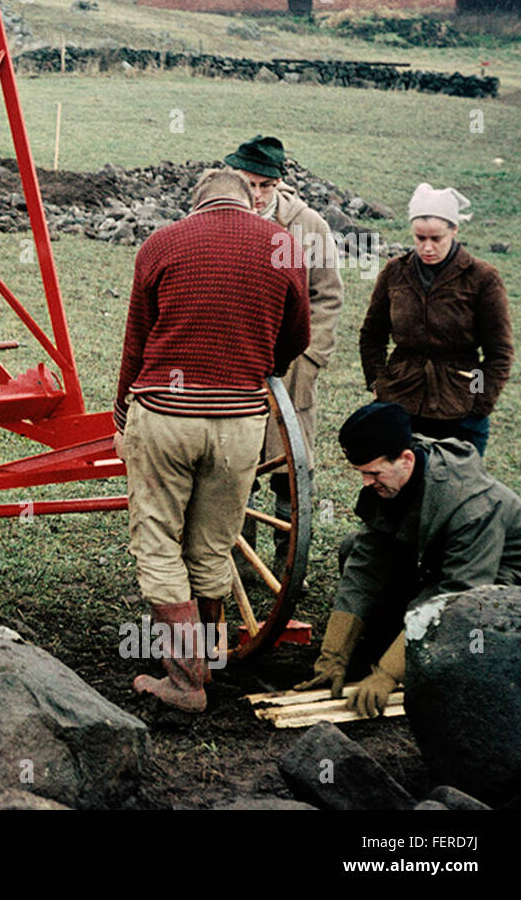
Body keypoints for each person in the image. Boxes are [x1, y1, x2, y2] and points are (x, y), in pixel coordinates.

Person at [114, 168, 310, 713]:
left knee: (158, 544)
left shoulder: (162, 243)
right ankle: (209, 658)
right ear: (252, 201)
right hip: (241, 423)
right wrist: (253, 364)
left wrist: (119, 415)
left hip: (165, 416)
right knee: (213, 547)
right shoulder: (283, 245)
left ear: (196, 204)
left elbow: (137, 341)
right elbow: (298, 336)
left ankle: (185, 680)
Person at [296, 402, 521, 717]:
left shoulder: (473, 506)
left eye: (373, 472)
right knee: (352, 547)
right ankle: (387, 647)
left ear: (405, 459)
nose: (366, 482)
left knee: (461, 646)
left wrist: (388, 675)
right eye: (362, 473)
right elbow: (365, 565)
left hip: (506, 590)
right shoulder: (397, 478)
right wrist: (332, 657)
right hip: (442, 567)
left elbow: (456, 595)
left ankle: (410, 659)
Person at [224, 136, 343, 559]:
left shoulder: (308, 226)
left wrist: (309, 357)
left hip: (289, 367)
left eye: (265, 187)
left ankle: (289, 558)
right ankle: (237, 558)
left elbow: (327, 296)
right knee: (234, 464)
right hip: (235, 364)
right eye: (248, 184)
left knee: (290, 466)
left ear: (277, 185)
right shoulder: (221, 219)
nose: (256, 196)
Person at [359, 183, 514, 455]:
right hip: (400, 400)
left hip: (460, 408)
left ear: (454, 231)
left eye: (436, 239)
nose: (427, 247)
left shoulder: (482, 278)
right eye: (419, 238)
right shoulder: (395, 272)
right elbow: (372, 334)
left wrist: (478, 398)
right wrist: (378, 383)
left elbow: (498, 352)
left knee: (457, 489)